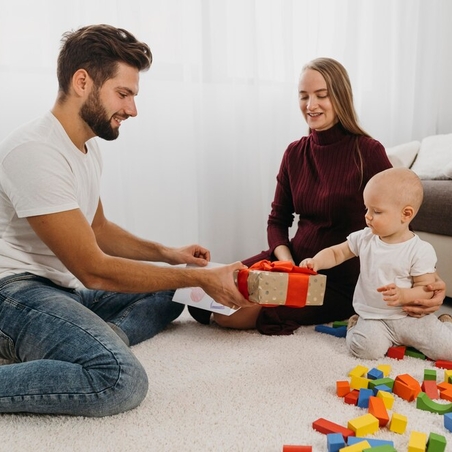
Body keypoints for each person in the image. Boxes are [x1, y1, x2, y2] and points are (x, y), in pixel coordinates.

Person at [0, 24, 254, 417]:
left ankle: (96, 338)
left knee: (170, 292)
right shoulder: (34, 152)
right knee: (119, 379)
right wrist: (201, 278)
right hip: (14, 296)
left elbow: (98, 229)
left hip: (61, 289)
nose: (132, 109)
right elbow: (93, 270)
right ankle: (91, 346)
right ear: (82, 81)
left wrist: (168, 254)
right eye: (124, 94)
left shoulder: (84, 146)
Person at [188, 57, 446, 334]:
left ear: (340, 97)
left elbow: (401, 222)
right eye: (304, 96)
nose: (311, 106)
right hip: (293, 261)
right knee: (203, 296)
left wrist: (427, 281)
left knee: (233, 316)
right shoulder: (295, 153)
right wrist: (286, 263)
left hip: (338, 279)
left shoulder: (367, 152)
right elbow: (278, 220)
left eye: (321, 96)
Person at [299, 167, 452, 360]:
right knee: (364, 350)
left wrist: (404, 294)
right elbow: (337, 252)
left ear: (405, 214)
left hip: (410, 317)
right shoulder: (365, 238)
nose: (367, 216)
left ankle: (445, 323)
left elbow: (426, 288)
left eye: (376, 211)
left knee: (448, 350)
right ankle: (356, 324)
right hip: (374, 317)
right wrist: (316, 261)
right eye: (367, 209)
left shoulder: (420, 250)